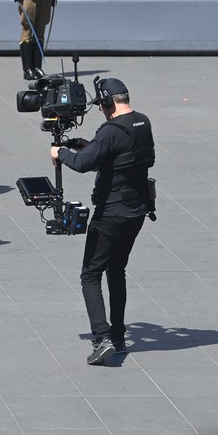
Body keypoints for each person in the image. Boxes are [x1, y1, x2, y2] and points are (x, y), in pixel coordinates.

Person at [52, 77, 155, 365]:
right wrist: (89, 145)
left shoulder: (109, 131)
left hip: (110, 214)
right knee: (117, 270)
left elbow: (83, 164)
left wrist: (61, 153)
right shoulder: (142, 122)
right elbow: (119, 157)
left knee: (90, 274)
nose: (102, 111)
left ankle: (102, 339)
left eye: (101, 105)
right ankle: (119, 337)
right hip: (136, 212)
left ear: (108, 102)